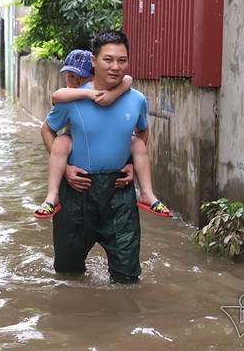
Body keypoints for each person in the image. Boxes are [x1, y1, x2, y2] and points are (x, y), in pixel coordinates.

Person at [40, 30, 148, 281]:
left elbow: (142, 131)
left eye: (122, 60)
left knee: (128, 276)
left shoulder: (137, 100)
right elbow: (47, 129)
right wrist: (65, 169)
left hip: (119, 193)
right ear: (94, 61)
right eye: (108, 60)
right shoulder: (73, 98)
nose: (115, 67)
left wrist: (132, 164)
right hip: (76, 192)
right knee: (68, 274)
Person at [35, 50, 171, 218]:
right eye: (71, 76)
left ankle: (146, 193)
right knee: (61, 142)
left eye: (81, 77)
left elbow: (128, 80)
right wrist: (66, 169)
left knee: (137, 143)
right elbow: (55, 98)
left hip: (114, 175)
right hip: (76, 146)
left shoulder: (133, 98)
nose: (75, 82)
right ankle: (52, 195)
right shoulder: (69, 98)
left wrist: (131, 164)